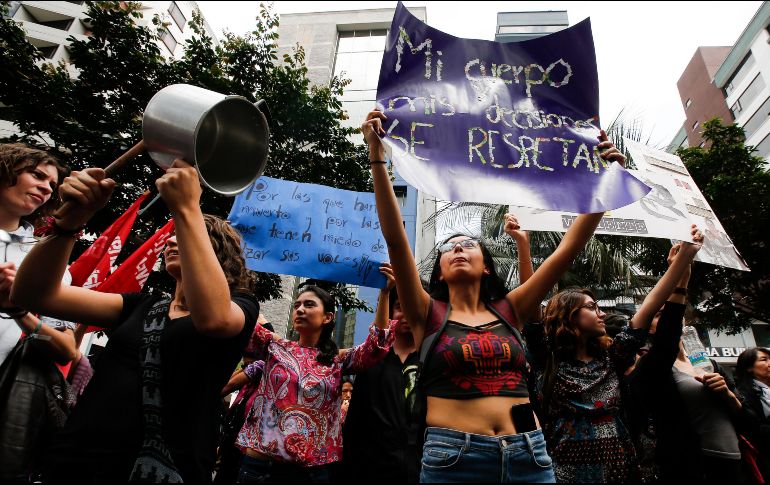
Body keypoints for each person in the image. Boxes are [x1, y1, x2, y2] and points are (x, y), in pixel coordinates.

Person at [361, 110, 625, 483]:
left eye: (468, 244)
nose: (458, 249)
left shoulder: (511, 308)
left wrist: (607, 183)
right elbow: (395, 239)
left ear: (486, 265)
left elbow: (568, 249)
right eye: (448, 249)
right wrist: (377, 156)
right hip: (454, 460)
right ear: (439, 270)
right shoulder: (426, 312)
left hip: (529, 455)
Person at [11, 159, 259, 483]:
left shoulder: (241, 307)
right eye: (173, 234)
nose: (172, 240)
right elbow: (35, 294)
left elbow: (212, 320)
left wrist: (187, 208)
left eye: (185, 234)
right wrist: (70, 222)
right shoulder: (141, 305)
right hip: (78, 461)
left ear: (218, 253)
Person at [538, 227, 702, 483]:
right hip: (563, 474)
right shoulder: (545, 361)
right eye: (592, 308)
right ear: (568, 316)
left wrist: (684, 259)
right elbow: (530, 303)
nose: (601, 314)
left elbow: (649, 306)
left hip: (622, 471)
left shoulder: (612, 359)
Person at [235, 279, 395, 483]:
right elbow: (239, 318)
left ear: (328, 317)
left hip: (312, 473)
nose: (300, 309)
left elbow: (377, 345)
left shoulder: (339, 360)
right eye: (297, 305)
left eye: (309, 305)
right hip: (260, 466)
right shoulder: (273, 347)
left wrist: (385, 293)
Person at [0, 143, 76, 482]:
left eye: (51, 183)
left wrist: (19, 312)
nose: (47, 187)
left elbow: (64, 346)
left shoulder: (47, 262)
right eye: (37, 175)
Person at [735, 347, 770, 480]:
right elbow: (753, 427)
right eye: (764, 360)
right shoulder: (743, 394)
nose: (769, 363)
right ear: (749, 368)